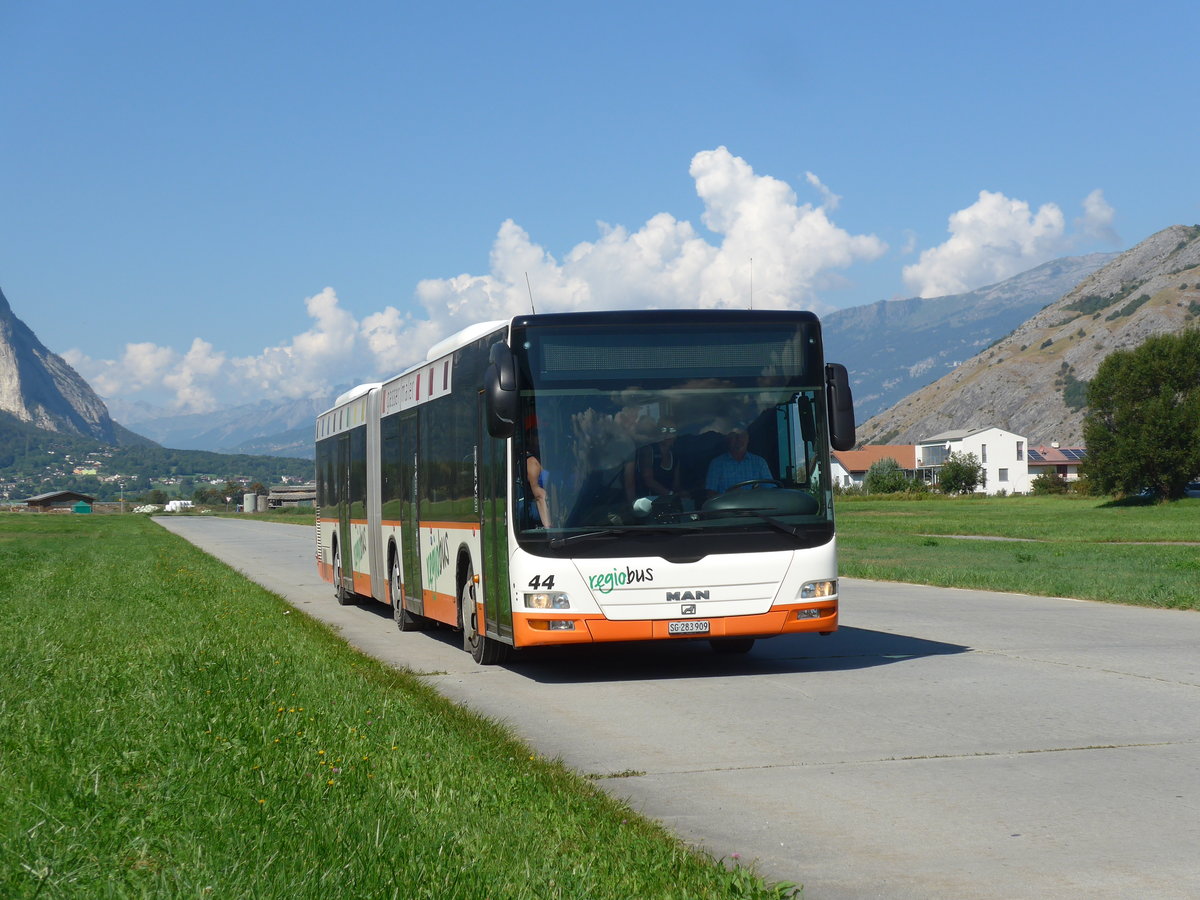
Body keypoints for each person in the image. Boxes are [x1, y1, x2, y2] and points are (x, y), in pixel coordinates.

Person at [705, 424, 772, 495]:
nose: (739, 439)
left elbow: (770, 490)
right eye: (734, 436)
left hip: (755, 505)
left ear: (748, 439)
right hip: (727, 505)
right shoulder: (716, 464)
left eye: (742, 435)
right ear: (728, 440)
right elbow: (710, 493)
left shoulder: (760, 462)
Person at [525, 427, 552, 527]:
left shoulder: (545, 458)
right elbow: (539, 495)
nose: (542, 438)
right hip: (536, 513)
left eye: (544, 434)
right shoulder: (532, 462)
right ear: (529, 439)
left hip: (549, 508)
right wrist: (549, 529)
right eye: (537, 434)